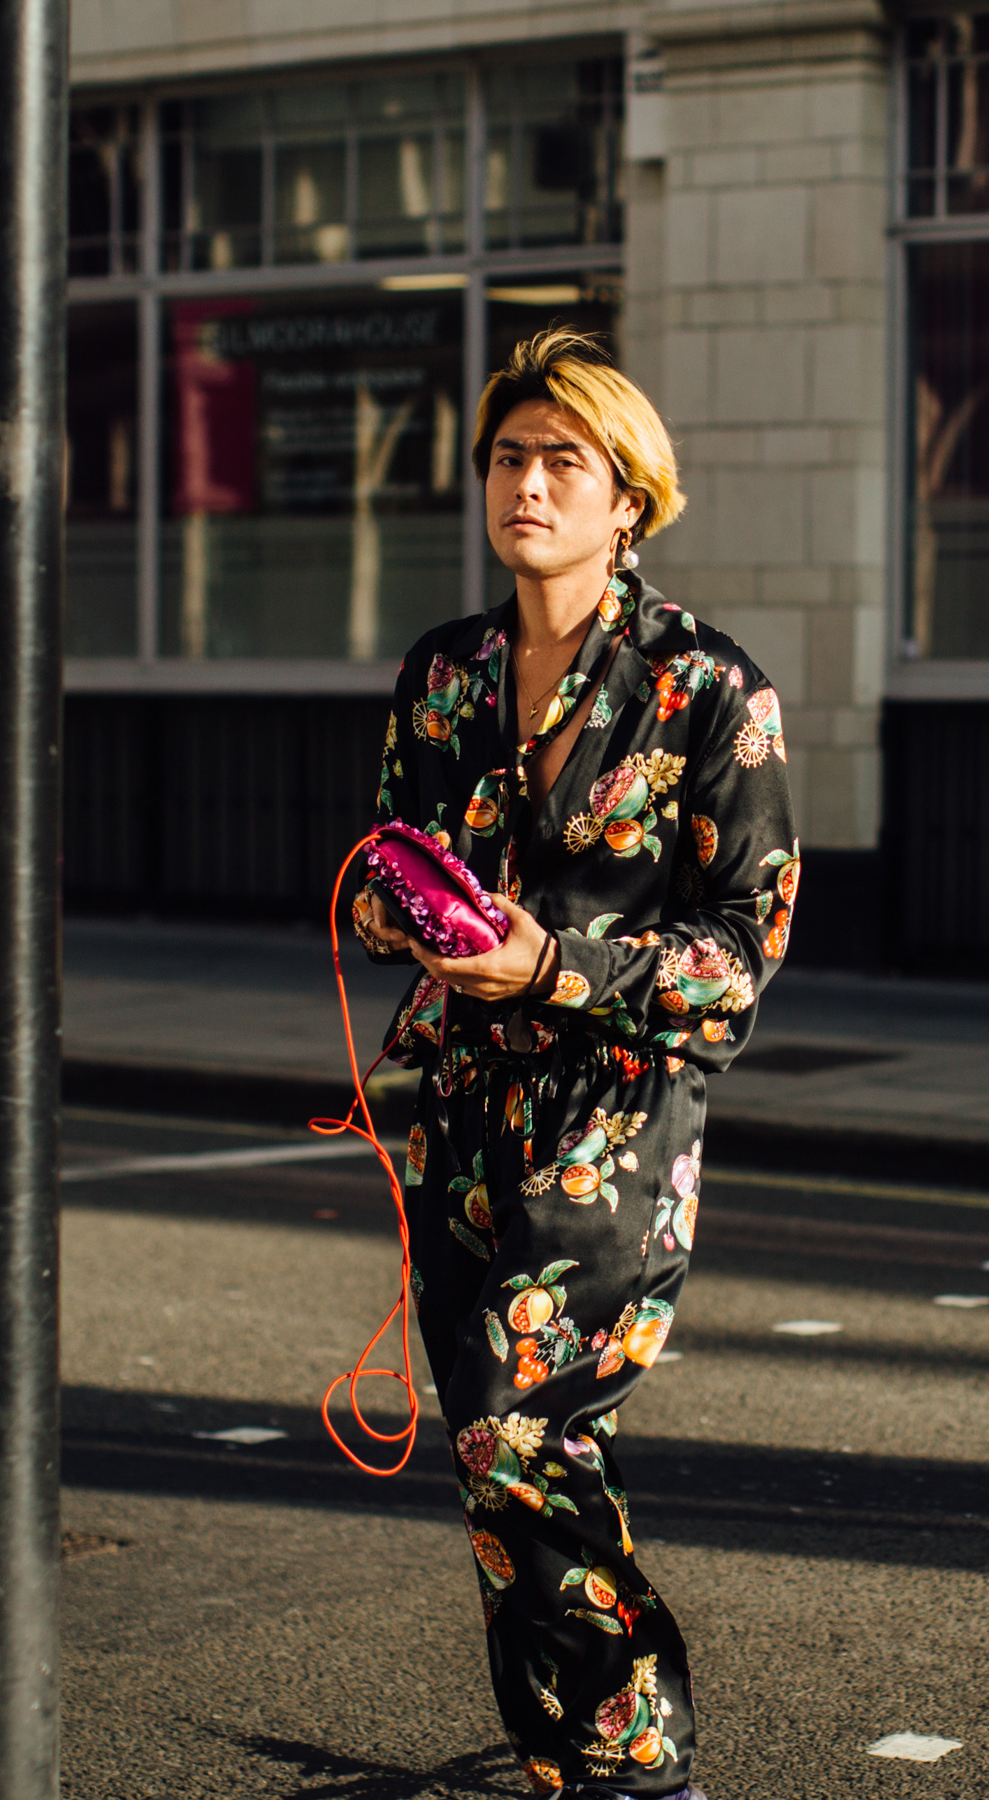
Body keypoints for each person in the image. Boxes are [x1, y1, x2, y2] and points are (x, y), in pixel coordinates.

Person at [353, 327, 796, 1799]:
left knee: (510, 1422)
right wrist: (393, 907)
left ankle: (635, 1752)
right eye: (507, 458)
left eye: (563, 463)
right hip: (463, 1114)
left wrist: (558, 964)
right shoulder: (444, 674)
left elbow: (741, 954)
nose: (526, 485)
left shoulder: (707, 691)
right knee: (499, 1463)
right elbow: (381, 861)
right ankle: (563, 1752)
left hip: (615, 1121)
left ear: (629, 502)